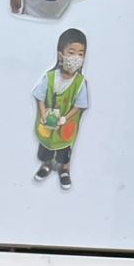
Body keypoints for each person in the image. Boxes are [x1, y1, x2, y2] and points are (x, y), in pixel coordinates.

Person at [32, 29, 89, 190]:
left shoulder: (80, 83)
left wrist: (66, 118)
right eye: (71, 52)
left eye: (80, 54)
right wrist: (43, 112)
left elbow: (79, 105)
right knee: (46, 147)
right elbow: (39, 96)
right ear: (60, 55)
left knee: (64, 150)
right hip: (49, 123)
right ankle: (46, 165)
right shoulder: (50, 77)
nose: (76, 58)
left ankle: (64, 170)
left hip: (66, 126)